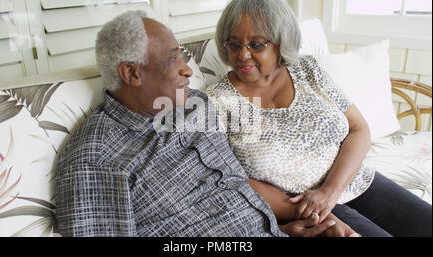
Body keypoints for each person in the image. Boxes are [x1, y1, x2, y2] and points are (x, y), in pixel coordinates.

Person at [54, 10, 350, 237]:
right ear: (131, 74)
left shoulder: (196, 106)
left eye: (181, 56)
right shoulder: (95, 160)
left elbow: (235, 189)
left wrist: (288, 229)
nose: (187, 70)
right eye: (172, 60)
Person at [205, 0, 432, 237]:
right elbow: (229, 177)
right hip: (299, 207)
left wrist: (330, 191)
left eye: (256, 45)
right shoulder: (216, 101)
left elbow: (358, 129)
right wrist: (310, 209)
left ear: (280, 42)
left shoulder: (307, 69)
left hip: (355, 181)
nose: (243, 54)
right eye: (233, 44)